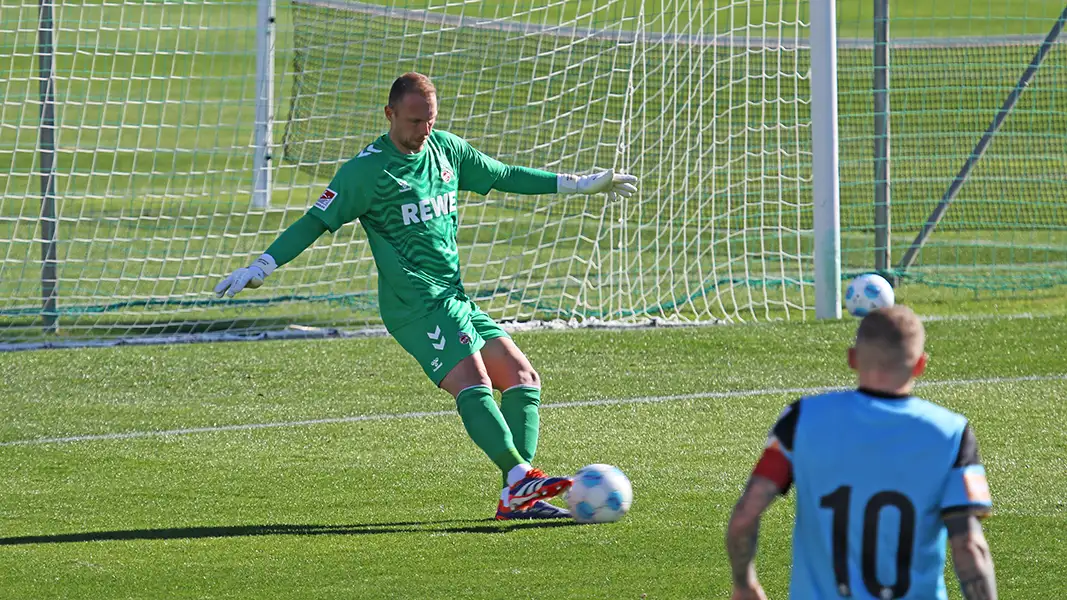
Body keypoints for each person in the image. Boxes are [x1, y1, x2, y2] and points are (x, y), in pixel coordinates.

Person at [214, 72, 639, 520]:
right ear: (390, 114)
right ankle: (519, 476)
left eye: (430, 121)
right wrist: (263, 265)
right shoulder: (366, 171)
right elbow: (315, 221)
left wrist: (577, 184)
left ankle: (518, 497)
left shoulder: (446, 151)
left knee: (521, 377)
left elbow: (505, 175)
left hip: (452, 297)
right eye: (415, 121)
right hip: (413, 304)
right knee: (473, 379)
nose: (424, 131)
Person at [725, 305, 997, 599]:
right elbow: (969, 546)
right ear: (920, 364)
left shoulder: (802, 419)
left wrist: (744, 583)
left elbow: (745, 516)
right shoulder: (951, 433)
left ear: (852, 358)